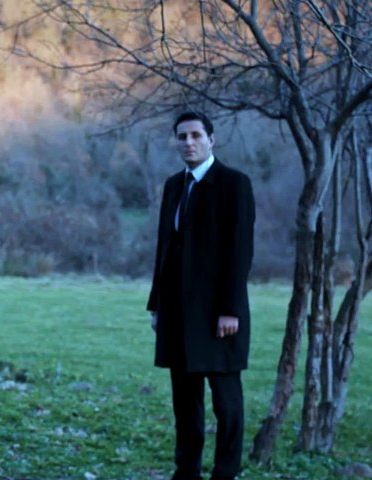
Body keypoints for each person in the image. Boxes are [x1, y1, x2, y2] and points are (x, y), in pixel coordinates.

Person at [146, 112, 255, 480]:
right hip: (177, 313)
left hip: (218, 315)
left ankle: (225, 474)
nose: (188, 142)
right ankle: (186, 472)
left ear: (211, 139)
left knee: (227, 404)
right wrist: (157, 305)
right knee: (185, 402)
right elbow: (165, 249)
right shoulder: (173, 186)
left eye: (195, 135)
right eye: (182, 136)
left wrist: (230, 310)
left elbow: (240, 252)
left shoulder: (234, 184)